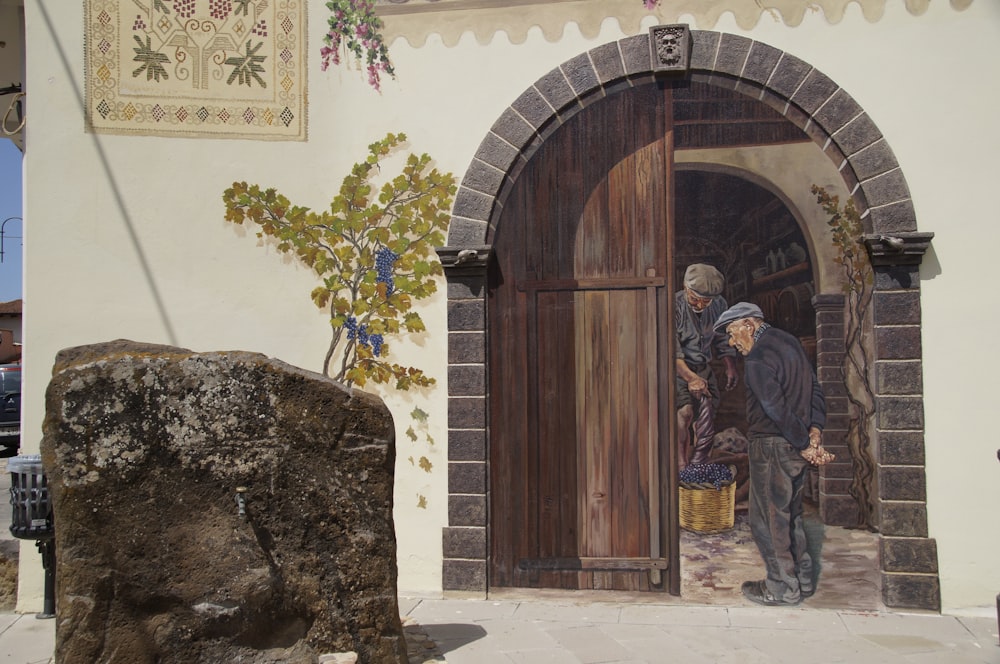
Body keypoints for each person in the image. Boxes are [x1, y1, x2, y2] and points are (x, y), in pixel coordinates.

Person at [713, 301, 834, 607]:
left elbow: (774, 408)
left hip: (771, 446)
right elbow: (815, 389)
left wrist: (805, 443)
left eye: (731, 332)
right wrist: (814, 433)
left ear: (749, 325)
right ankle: (803, 579)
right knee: (791, 515)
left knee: (767, 520)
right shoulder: (790, 342)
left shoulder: (757, 358)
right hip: (796, 443)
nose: (731, 341)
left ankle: (781, 588)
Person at [675, 263, 738, 469]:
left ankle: (700, 463)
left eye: (706, 302)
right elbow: (671, 351)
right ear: (686, 288)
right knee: (684, 412)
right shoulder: (674, 305)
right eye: (695, 299)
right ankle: (681, 464)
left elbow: (722, 338)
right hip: (678, 367)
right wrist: (691, 378)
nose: (700, 306)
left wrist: (730, 365)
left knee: (706, 417)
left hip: (703, 365)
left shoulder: (719, 305)